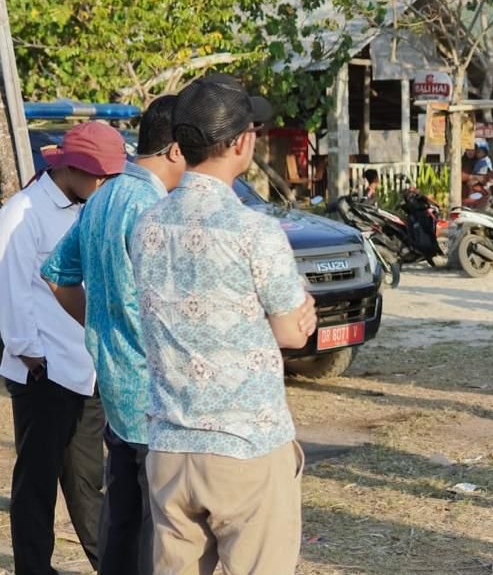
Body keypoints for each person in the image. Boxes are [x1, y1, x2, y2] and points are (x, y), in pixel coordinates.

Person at [131, 75, 318, 574]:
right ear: (241, 143)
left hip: (170, 444)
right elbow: (290, 332)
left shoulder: (146, 225)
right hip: (246, 444)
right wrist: (298, 313)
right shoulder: (255, 231)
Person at [42, 97, 187, 575]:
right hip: (156, 395)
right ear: (176, 150)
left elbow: (57, 275)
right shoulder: (154, 208)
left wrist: (101, 326)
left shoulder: (103, 195)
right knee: (153, 534)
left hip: (116, 387)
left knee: (121, 525)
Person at [0, 120, 126, 574]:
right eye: (100, 175)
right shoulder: (23, 211)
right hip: (43, 369)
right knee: (37, 482)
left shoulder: (91, 206)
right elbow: (10, 287)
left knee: (87, 481)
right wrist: (29, 354)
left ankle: (110, 565)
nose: (106, 184)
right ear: (71, 167)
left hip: (86, 366)